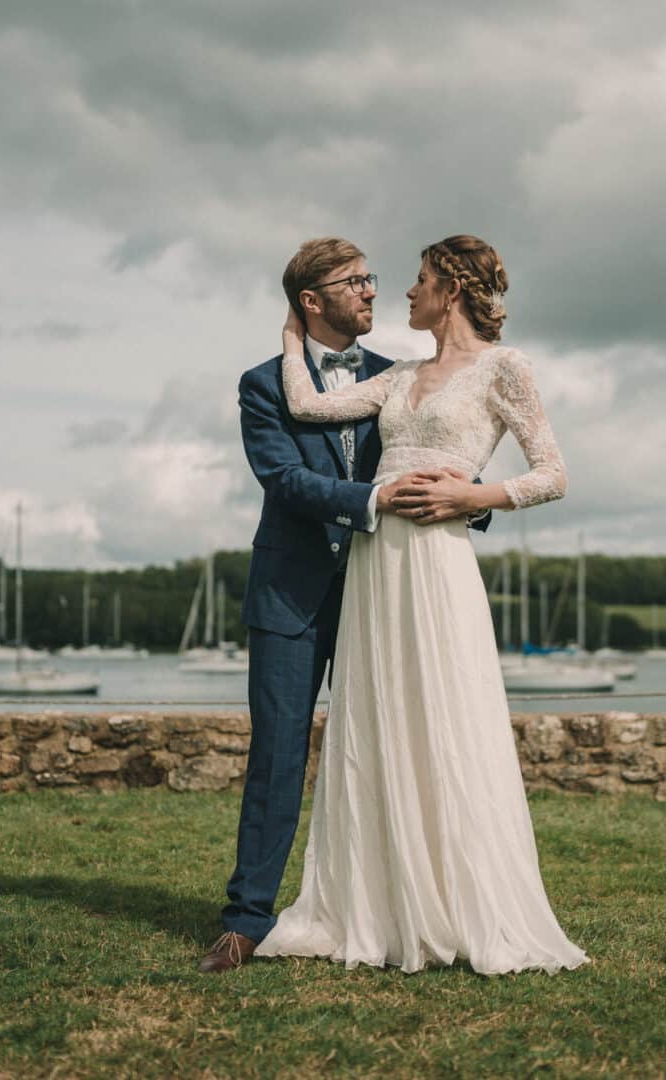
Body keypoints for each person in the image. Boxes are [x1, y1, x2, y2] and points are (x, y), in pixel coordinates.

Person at [254, 234, 587, 975]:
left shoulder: (505, 367)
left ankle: (460, 901)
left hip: (437, 560)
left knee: (445, 714)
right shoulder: (399, 375)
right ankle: (377, 902)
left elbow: (553, 473)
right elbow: (305, 404)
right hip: (377, 563)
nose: (404, 292)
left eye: (419, 280)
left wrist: (475, 494)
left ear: (454, 289)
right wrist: (289, 329)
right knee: (377, 718)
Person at [199, 237, 489, 974]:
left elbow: (441, 454)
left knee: (398, 748)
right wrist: (373, 498)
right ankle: (245, 919)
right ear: (310, 299)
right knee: (277, 755)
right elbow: (285, 480)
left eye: (372, 280)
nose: (370, 292)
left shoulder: (404, 378)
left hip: (387, 592)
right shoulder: (263, 385)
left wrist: (466, 497)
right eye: (353, 281)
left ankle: (398, 911)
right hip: (291, 596)